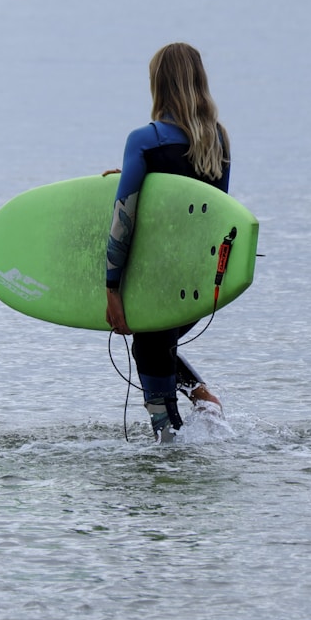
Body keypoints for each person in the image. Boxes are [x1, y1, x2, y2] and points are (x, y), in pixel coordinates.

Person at [104, 43, 230, 442]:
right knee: (156, 342)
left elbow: (123, 220)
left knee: (149, 345)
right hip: (201, 278)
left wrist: (111, 286)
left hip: (157, 275)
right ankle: (201, 399)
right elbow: (211, 209)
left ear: (157, 84)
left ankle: (168, 447)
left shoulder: (146, 139)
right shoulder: (219, 140)